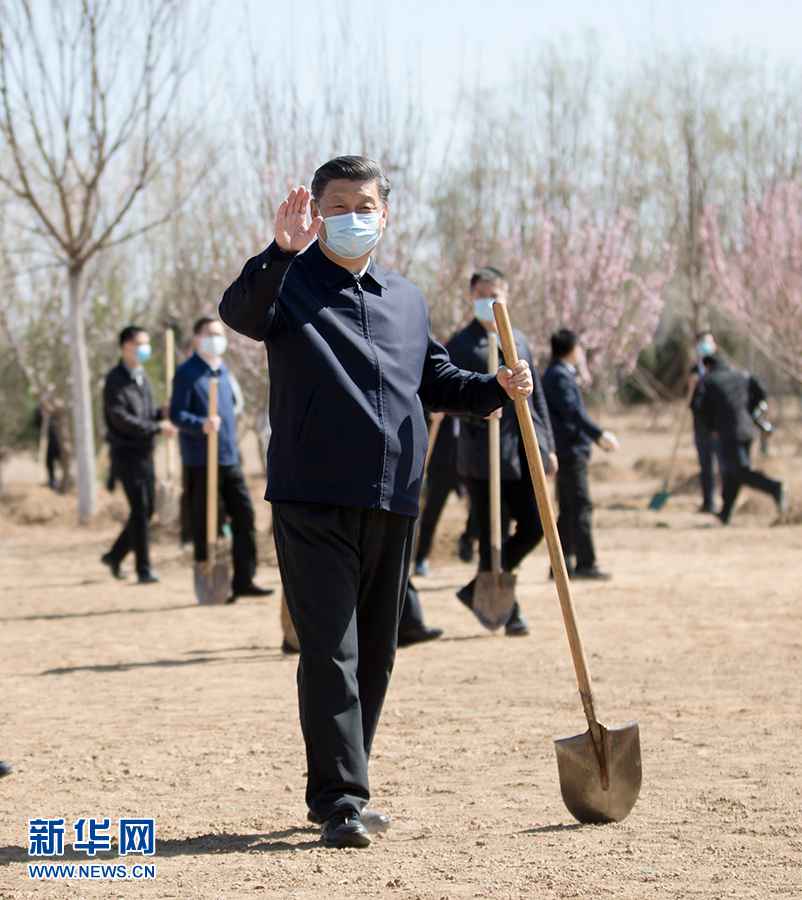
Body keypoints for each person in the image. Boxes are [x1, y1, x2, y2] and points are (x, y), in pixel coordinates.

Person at [219, 156, 533, 849]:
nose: (352, 216)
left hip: (395, 497)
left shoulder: (406, 298)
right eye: (337, 205)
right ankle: (340, 800)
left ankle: (346, 783)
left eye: (365, 204)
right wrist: (279, 251)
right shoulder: (290, 285)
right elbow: (237, 312)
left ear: (384, 215)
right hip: (312, 497)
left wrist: (497, 389)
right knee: (330, 649)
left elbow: (437, 377)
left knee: (378, 653)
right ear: (317, 212)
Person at [448, 267, 557, 638]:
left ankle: (479, 586)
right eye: (482, 294)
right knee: (490, 532)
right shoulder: (461, 344)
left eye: (496, 295)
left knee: (535, 525)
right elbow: (445, 395)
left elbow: (536, 394)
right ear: (471, 296)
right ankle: (507, 611)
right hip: (481, 455)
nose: (489, 301)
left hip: (520, 448)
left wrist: (547, 446)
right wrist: (477, 407)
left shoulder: (519, 341)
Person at [170, 317, 273, 602]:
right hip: (201, 460)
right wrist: (200, 423)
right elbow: (176, 414)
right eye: (210, 334)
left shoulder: (223, 371)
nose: (216, 339)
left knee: (244, 516)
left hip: (229, 457)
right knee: (205, 521)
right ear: (196, 339)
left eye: (219, 334)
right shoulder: (187, 373)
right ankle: (208, 573)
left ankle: (244, 578)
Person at [101, 326, 176, 584]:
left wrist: (160, 413)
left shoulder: (142, 377)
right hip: (126, 455)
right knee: (141, 508)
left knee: (147, 509)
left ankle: (114, 555)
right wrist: (156, 427)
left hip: (146, 453)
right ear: (125, 346)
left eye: (146, 343)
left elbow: (144, 414)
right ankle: (143, 568)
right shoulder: (115, 380)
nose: (145, 348)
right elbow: (121, 418)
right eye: (139, 343)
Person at [543, 329, 618, 581]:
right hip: (570, 450)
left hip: (566, 449)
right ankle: (585, 562)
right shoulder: (559, 376)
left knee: (568, 508)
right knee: (580, 505)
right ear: (570, 349)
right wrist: (598, 434)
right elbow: (573, 413)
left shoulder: (558, 374)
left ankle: (561, 564)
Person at [699, 355, 786, 525]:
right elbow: (761, 393)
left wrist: (711, 428)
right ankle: (725, 513)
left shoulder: (709, 381)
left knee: (739, 470)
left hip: (728, 432)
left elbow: (701, 407)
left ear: (708, 366)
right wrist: (752, 412)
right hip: (747, 429)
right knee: (733, 472)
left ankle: (774, 487)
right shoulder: (741, 376)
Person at [414, 413, 477, 575]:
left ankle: (468, 541)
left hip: (467, 464)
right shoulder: (441, 395)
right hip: (441, 466)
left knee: (479, 509)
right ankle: (421, 558)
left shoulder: (469, 398)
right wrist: (431, 418)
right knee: (431, 513)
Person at [689, 331, 724, 514]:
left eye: (709, 342)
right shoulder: (695, 370)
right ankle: (708, 502)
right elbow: (690, 399)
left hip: (718, 424)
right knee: (705, 464)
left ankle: (724, 501)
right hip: (701, 423)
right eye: (702, 342)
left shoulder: (720, 367)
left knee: (722, 463)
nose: (705, 346)